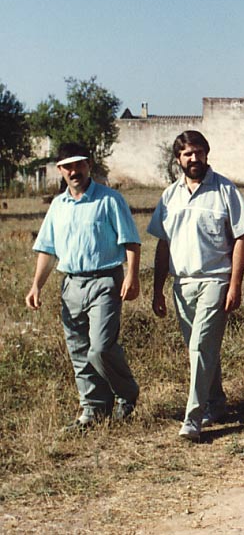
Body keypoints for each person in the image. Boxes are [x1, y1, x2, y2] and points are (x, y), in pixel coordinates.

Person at [25, 142, 142, 432]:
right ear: (60, 170)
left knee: (100, 348)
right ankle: (93, 410)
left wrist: (132, 276)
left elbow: (131, 241)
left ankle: (126, 393)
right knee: (78, 350)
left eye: (79, 164)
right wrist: (36, 285)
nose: (74, 171)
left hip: (105, 281)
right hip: (71, 284)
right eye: (68, 166)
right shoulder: (58, 205)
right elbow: (47, 249)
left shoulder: (110, 199)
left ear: (89, 165)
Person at [149, 130, 244, 442]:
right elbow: (163, 244)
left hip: (215, 280)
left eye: (198, 152)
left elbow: (241, 237)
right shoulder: (170, 195)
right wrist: (158, 290)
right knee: (201, 349)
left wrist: (235, 284)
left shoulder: (225, 189)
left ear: (207, 153)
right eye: (187, 154)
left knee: (200, 347)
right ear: (178, 159)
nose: (194, 158)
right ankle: (216, 403)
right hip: (182, 284)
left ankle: (192, 419)